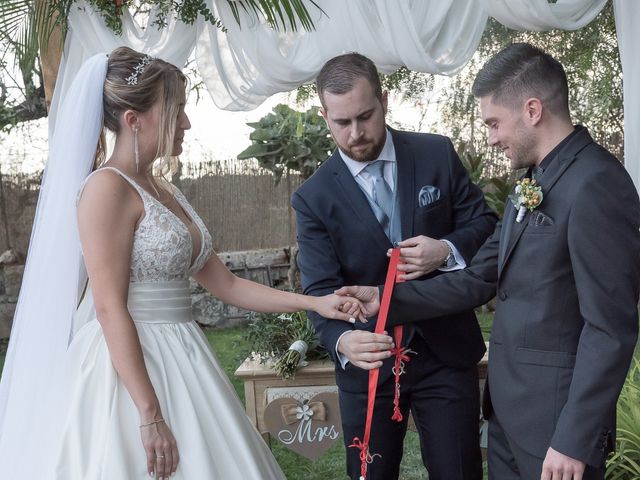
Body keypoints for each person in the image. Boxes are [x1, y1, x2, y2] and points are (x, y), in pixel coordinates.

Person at [0, 47, 364, 480]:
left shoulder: (162, 188)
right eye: (177, 110)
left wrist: (316, 304)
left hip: (184, 354)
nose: (187, 122)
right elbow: (109, 307)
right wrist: (150, 414)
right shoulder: (105, 190)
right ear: (134, 119)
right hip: (128, 369)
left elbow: (227, 284)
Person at [337, 43, 640, 480]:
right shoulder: (531, 182)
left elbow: (610, 327)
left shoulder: (596, 184)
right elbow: (478, 278)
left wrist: (574, 438)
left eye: (495, 123)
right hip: (506, 419)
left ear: (533, 109)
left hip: (557, 431)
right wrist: (384, 300)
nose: (492, 137)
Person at [291, 52, 497, 480]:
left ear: (384, 100)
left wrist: (446, 248)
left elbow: (483, 223)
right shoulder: (312, 198)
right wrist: (342, 340)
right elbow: (320, 290)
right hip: (369, 362)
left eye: (365, 116)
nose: (355, 133)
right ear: (324, 114)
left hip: (446, 352)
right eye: (341, 122)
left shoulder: (435, 152)